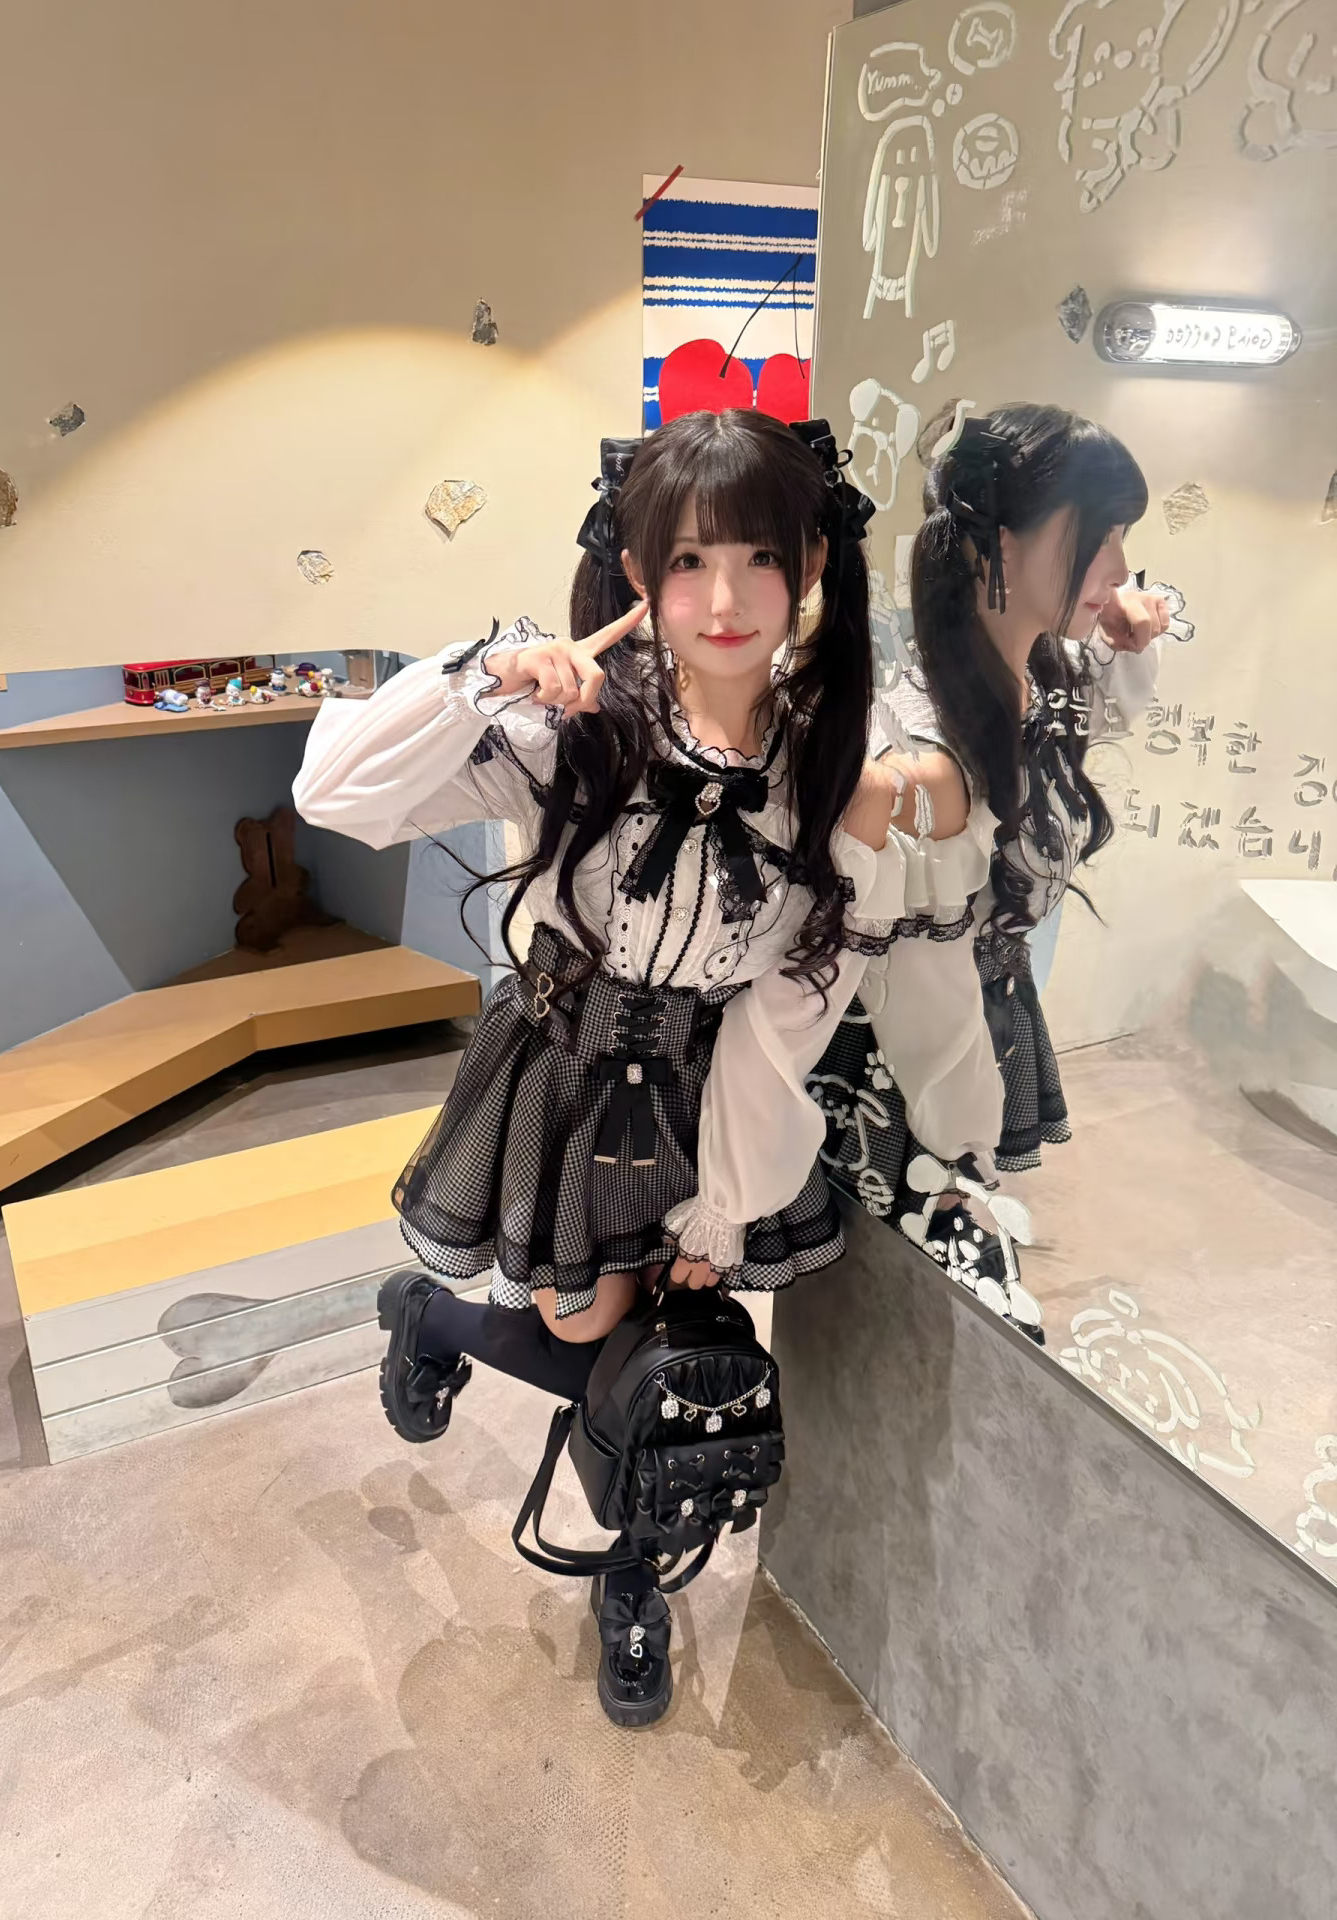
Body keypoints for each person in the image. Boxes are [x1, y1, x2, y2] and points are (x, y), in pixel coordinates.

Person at [292, 408, 1001, 1727]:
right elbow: (336, 794)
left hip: (708, 1086)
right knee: (589, 1330)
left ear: (810, 564)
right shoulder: (580, 726)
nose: (724, 601)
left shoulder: (828, 752)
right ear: (637, 573)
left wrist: (726, 1202)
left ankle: (632, 1576)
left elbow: (801, 996)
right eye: (687, 562)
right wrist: (487, 676)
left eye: (759, 558)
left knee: (670, 1348)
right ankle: (437, 1319)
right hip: (567, 1071)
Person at [811, 404, 1171, 1342]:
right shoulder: (921, 736)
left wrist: (1122, 637)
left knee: (902, 1328)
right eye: (1100, 535)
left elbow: (1111, 699)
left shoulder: (1044, 674)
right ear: (1001, 545)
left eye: (1124, 538)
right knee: (899, 1330)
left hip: (981, 1016)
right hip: (907, 1055)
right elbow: (912, 977)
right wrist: (958, 1149)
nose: (1121, 568)